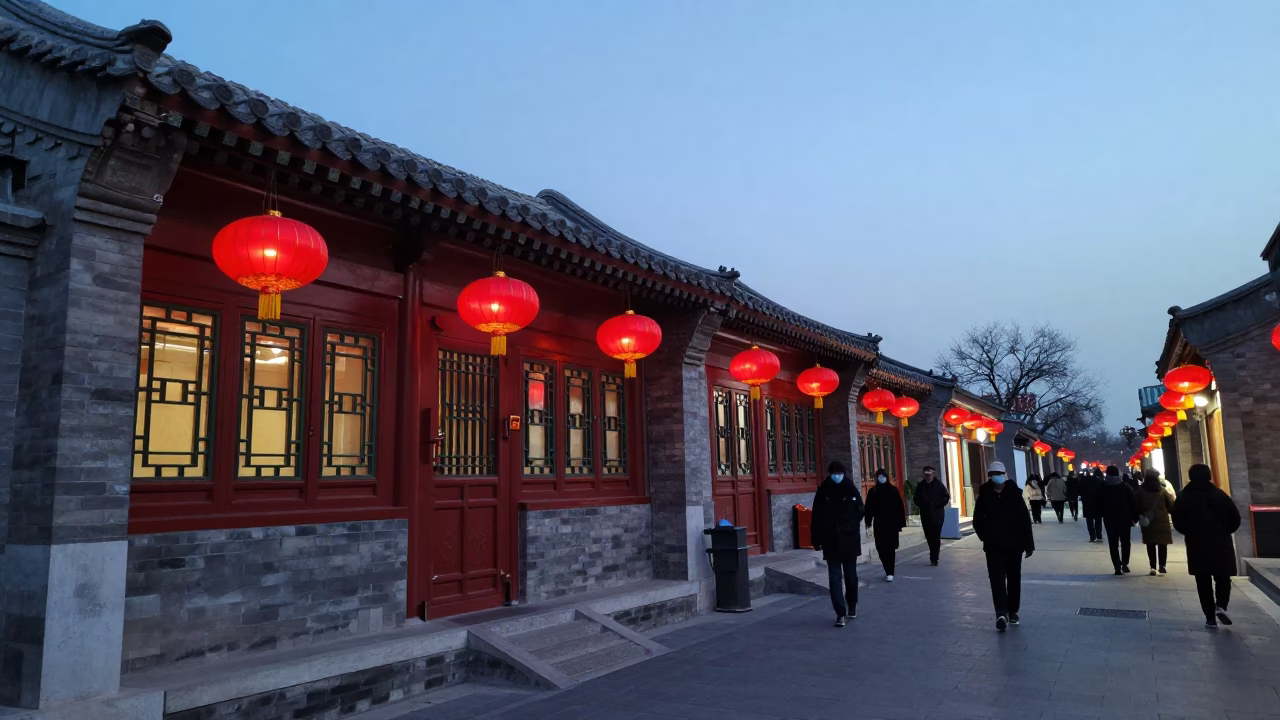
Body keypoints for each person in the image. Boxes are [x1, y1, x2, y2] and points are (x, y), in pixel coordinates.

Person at [1172, 464, 1241, 628]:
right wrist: (1225, 531)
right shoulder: (1220, 495)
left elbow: (1177, 520)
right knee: (1223, 577)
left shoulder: (1184, 497)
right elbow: (1235, 518)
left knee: (1203, 581)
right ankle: (1221, 606)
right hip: (1220, 542)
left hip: (1197, 543)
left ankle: (1209, 617)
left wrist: (1190, 532)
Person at [973, 461, 1034, 632]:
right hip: (993, 547)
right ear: (990, 476)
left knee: (1014, 579)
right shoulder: (984, 495)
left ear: (1005, 475)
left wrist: (1029, 544)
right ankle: (1001, 612)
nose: (996, 476)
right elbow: (977, 520)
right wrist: (986, 537)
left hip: (1015, 545)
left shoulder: (1015, 494)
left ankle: (1012, 610)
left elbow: (1025, 520)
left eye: (999, 473)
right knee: (996, 580)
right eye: (993, 473)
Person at [810, 460, 864, 628]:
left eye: (839, 473)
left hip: (849, 540)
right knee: (834, 578)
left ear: (844, 474)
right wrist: (816, 539)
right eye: (834, 473)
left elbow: (860, 511)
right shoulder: (823, 492)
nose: (837, 476)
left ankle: (852, 605)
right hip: (830, 540)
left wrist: (849, 525)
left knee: (850, 577)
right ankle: (840, 612)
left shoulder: (851, 489)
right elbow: (816, 517)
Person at [864, 467, 905, 581]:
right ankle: (886, 568)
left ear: (887, 477)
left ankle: (890, 572)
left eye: (883, 476)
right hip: (879, 524)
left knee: (890, 548)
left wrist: (900, 524)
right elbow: (868, 508)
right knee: (880, 548)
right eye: (879, 476)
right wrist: (868, 523)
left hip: (891, 524)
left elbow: (899, 507)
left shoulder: (893, 490)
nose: (881, 478)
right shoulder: (873, 492)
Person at [1098, 465, 1138, 575]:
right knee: (1125, 541)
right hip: (1125, 518)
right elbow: (1133, 503)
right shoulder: (1126, 487)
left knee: (1113, 543)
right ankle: (1125, 563)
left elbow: (1098, 503)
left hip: (1110, 519)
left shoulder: (1104, 488)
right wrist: (1135, 518)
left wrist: (1102, 514)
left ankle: (1117, 566)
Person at [1135, 467, 1175, 576]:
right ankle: (1162, 565)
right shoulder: (1162, 490)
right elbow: (1171, 505)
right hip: (1162, 520)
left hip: (1148, 520)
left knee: (1150, 544)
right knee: (1163, 544)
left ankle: (1152, 566)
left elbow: (1135, 505)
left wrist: (1137, 516)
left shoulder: (1141, 490)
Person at [912, 465, 950, 566]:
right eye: (926, 475)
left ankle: (934, 557)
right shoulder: (920, 486)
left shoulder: (939, 485)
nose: (928, 476)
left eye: (930, 474)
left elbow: (946, 497)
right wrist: (921, 504)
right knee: (929, 536)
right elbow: (915, 499)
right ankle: (932, 552)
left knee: (936, 536)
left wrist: (937, 504)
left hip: (937, 516)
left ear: (933, 474)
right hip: (925, 515)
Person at [1080, 468, 1104, 543]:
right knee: (1098, 520)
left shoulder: (1084, 481)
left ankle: (1092, 537)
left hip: (1087, 503)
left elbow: (1079, 491)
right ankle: (1099, 536)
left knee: (1089, 521)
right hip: (1098, 503)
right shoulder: (1100, 481)